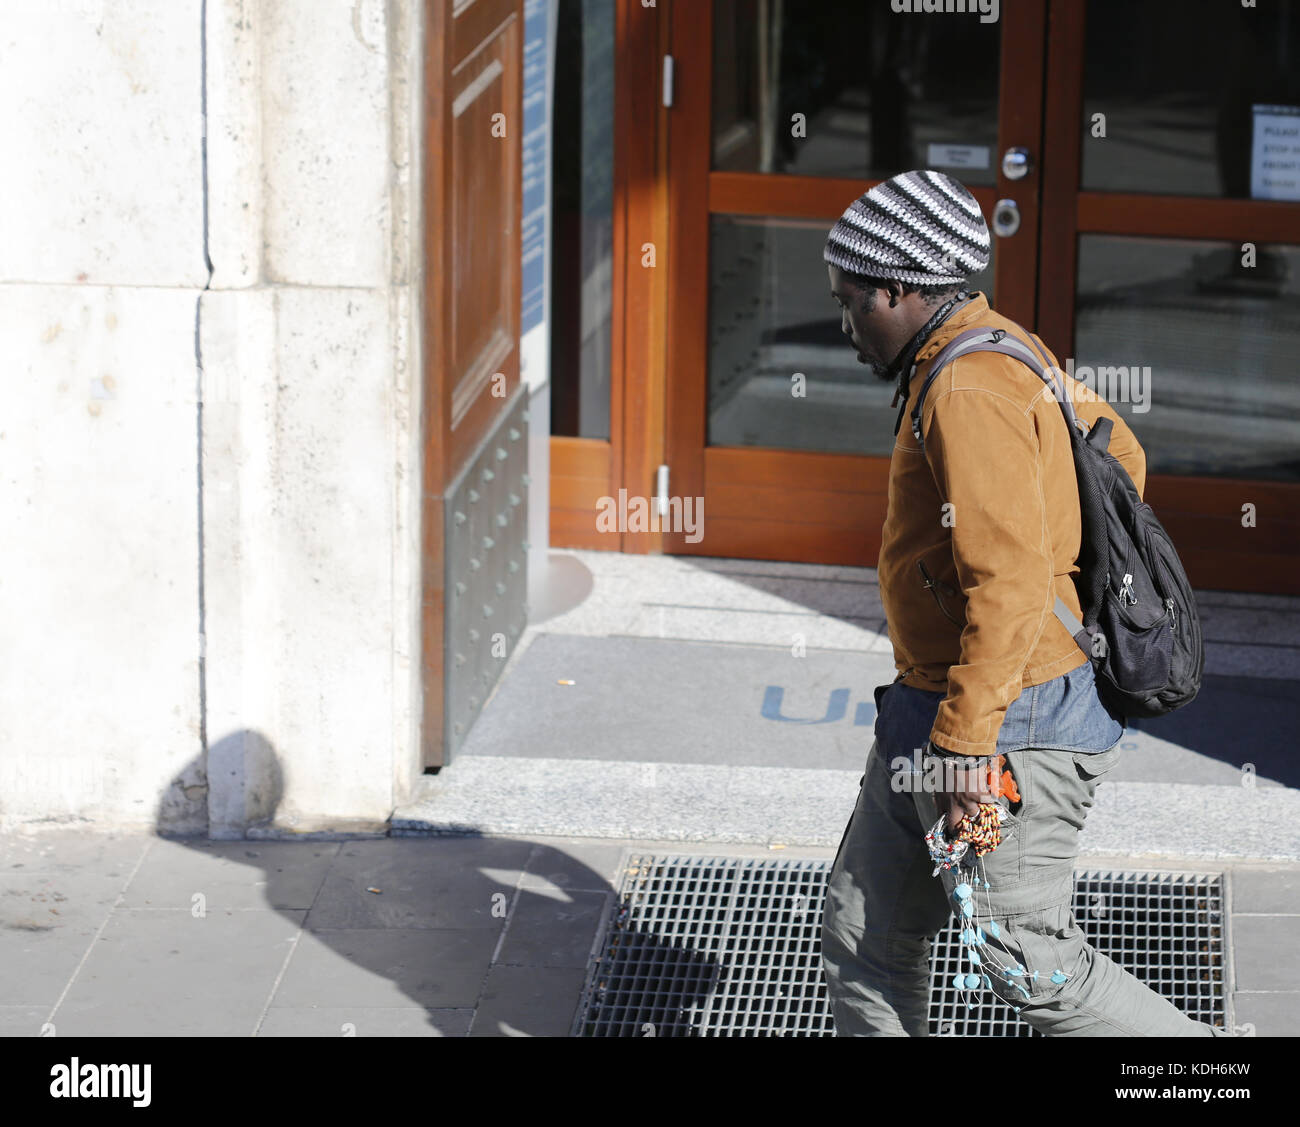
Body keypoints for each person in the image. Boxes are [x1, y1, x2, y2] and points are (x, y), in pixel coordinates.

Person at [819, 169, 1224, 1037]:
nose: (844, 323)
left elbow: (1005, 583)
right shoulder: (997, 343)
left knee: (1029, 962)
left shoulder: (968, 388)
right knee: (866, 935)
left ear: (899, 287)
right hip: (937, 709)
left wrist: (968, 744)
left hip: (1005, 725)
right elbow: (1122, 453)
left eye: (851, 300)